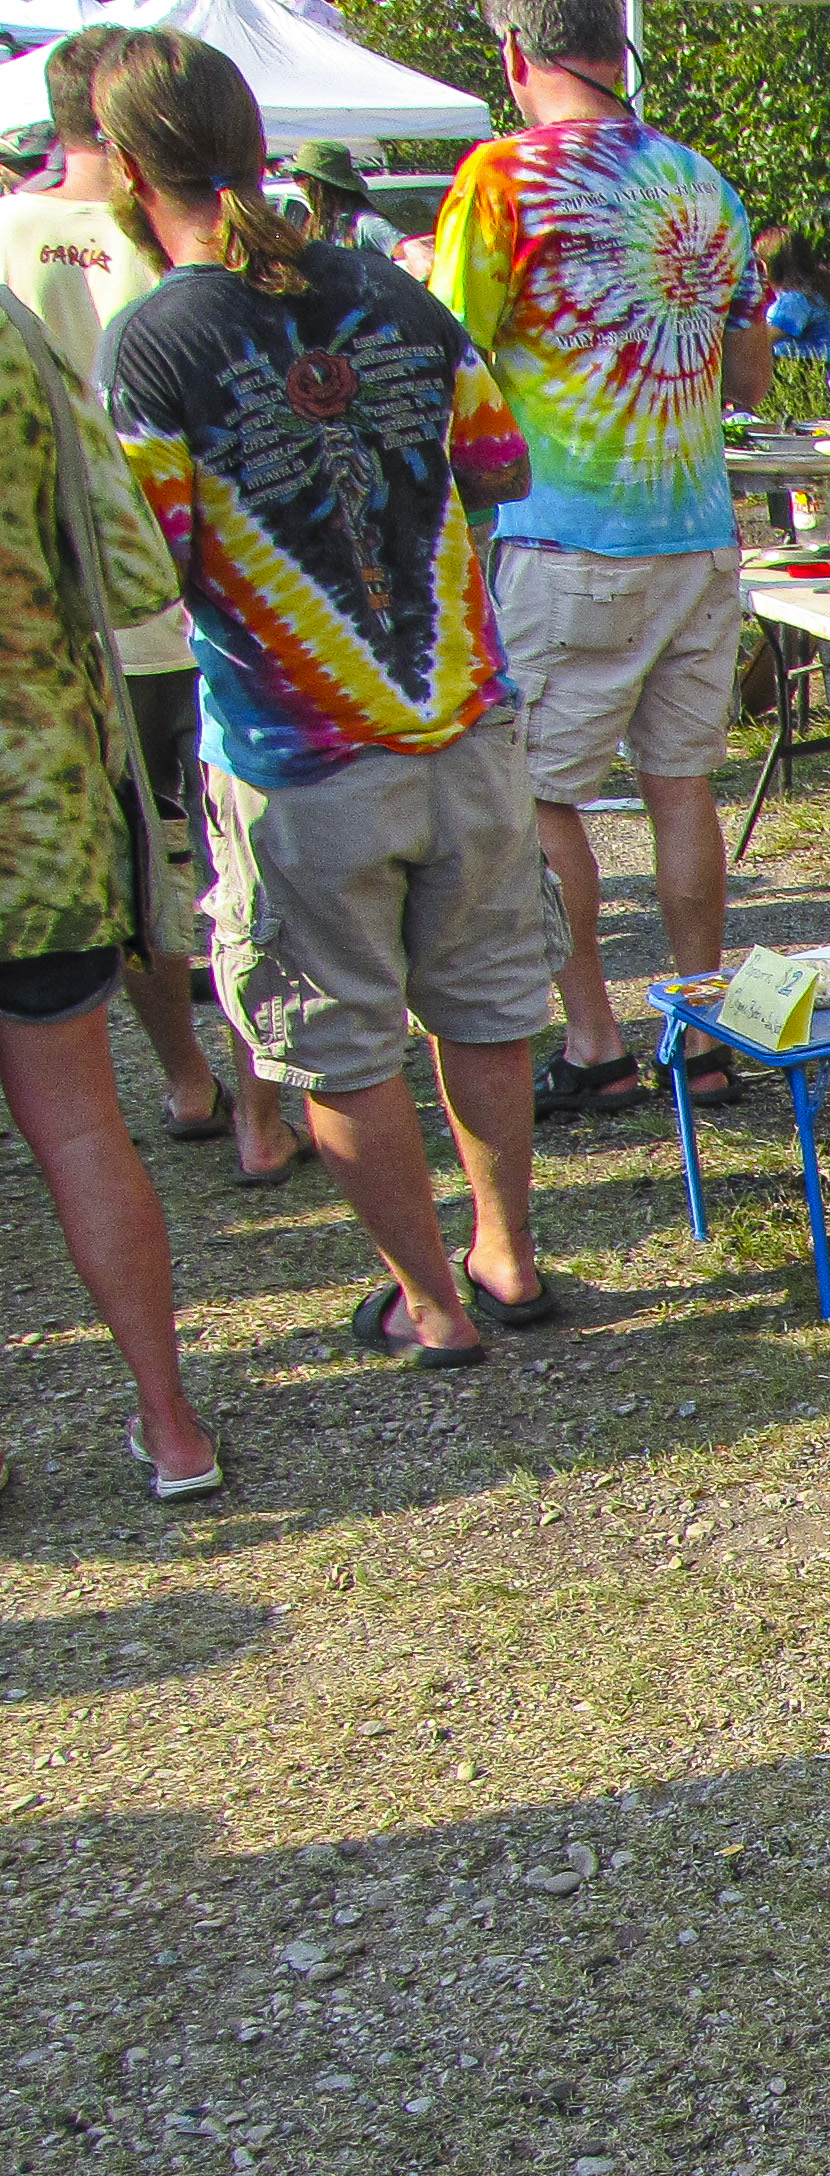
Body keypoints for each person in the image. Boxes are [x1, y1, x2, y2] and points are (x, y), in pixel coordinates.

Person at [98, 30, 552, 1371]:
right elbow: (499, 458)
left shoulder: (157, 343)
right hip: (461, 717)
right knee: (481, 1003)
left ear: (127, 168)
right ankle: (509, 1255)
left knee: (341, 1035)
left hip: (301, 756)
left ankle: (434, 1302)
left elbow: (150, 555)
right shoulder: (395, 294)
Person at [430, 0, 768, 1118]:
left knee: (542, 798)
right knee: (683, 788)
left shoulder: (499, 181)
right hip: (699, 533)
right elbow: (751, 381)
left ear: (518, 53)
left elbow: (444, 361)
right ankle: (704, 1034)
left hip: (568, 536)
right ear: (618, 49)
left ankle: (595, 1042)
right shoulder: (700, 180)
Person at [0, 24, 299, 1188]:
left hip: (89, 633)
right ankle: (258, 1104)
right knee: (239, 867)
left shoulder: (13, 237)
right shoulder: (191, 239)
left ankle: (187, 1076)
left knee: (145, 880)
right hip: (216, 603)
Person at [0, 168, 224, 1502]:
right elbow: (134, 572)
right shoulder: (14, 336)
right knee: (83, 1125)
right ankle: (174, 1428)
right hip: (36, 807)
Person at [755, 223, 830, 372]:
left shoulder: (792, 302)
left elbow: (759, 343)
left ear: (769, 266)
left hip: (816, 369)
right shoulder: (821, 288)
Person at [285, 140, 400, 259]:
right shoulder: (320, 222)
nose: (297, 184)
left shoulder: (367, 224)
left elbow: (410, 251)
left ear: (322, 186)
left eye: (300, 177)